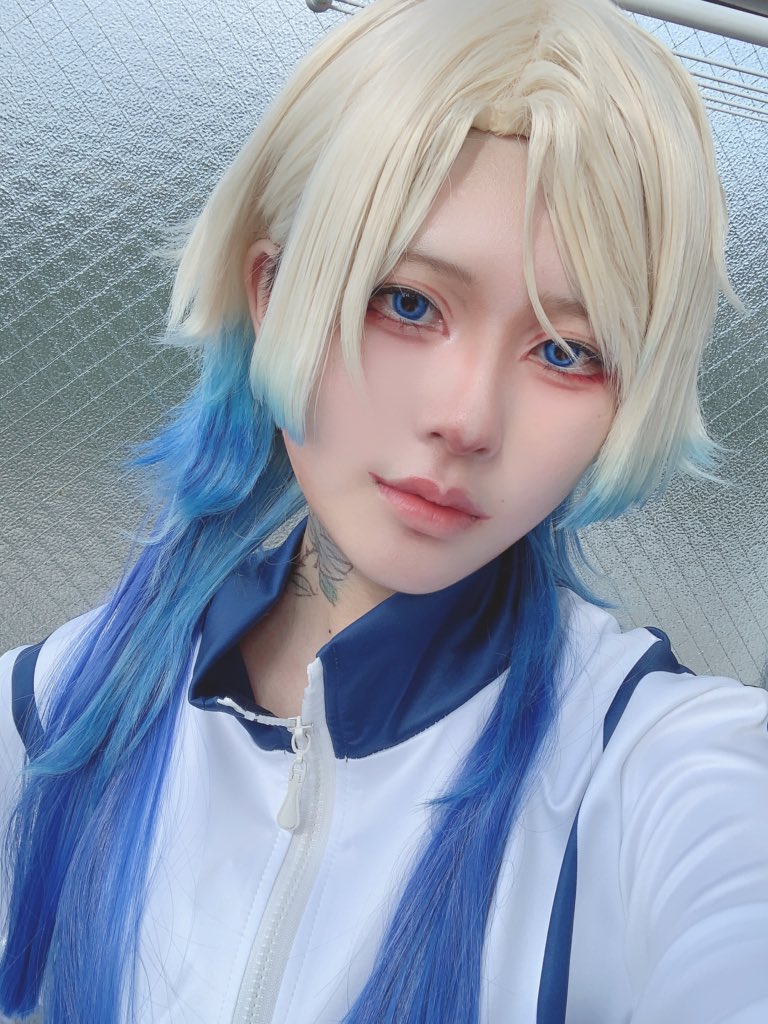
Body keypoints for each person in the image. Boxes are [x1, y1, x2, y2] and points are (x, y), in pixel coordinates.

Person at [2, 0, 767, 1021]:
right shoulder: (53, 710)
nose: (468, 419)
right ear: (273, 294)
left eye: (565, 351)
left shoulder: (650, 766)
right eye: (409, 302)